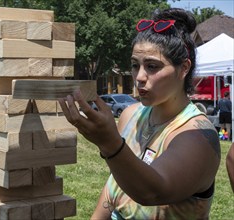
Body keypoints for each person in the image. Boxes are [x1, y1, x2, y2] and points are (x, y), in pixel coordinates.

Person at [58, 8, 220, 219]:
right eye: (135, 65)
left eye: (152, 66)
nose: (140, 77)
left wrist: (110, 144)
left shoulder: (198, 136)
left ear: (184, 68)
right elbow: (115, 185)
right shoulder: (130, 115)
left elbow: (152, 192)